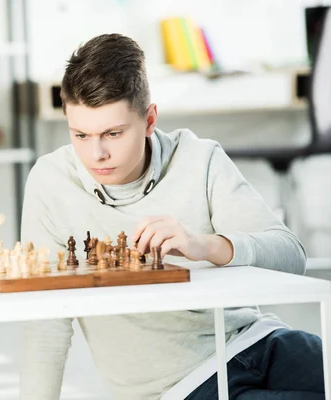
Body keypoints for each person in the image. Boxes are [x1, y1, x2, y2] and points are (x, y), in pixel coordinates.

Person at [20, 33, 324, 400]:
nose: (96, 153)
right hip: (181, 386)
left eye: (113, 133)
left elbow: (292, 257)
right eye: (80, 135)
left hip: (262, 340)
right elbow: (45, 323)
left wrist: (207, 245)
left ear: (150, 120)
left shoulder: (199, 157)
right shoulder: (51, 181)